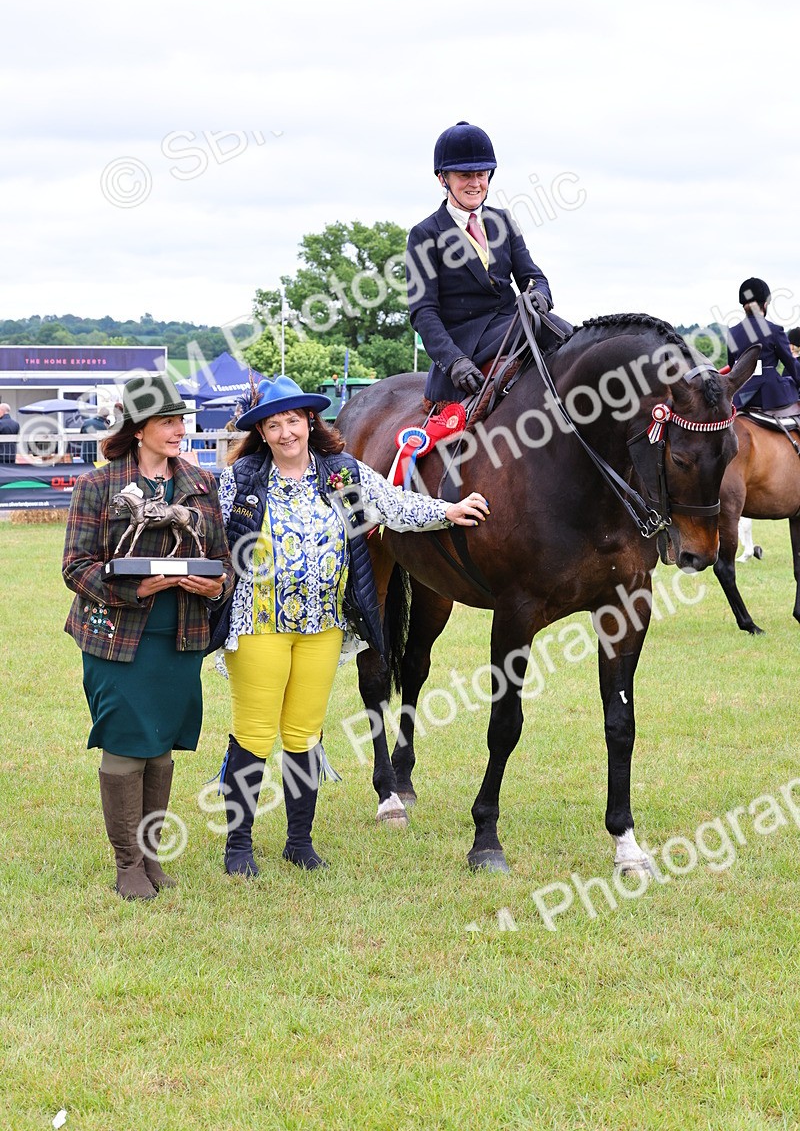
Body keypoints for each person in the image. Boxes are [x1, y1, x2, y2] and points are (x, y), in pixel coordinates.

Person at [215, 374, 490, 876]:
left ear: (309, 422)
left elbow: (394, 504)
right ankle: (239, 845)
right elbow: (208, 523)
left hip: (323, 626)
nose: (285, 433)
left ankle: (299, 842)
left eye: (292, 421)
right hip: (258, 625)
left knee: (303, 733)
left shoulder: (341, 473)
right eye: (273, 425)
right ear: (261, 432)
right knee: (254, 734)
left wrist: (448, 510)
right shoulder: (243, 478)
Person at [62, 374, 234, 901]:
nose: (179, 429)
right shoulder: (97, 485)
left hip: (179, 639)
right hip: (117, 639)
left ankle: (152, 856)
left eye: (181, 420)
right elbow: (75, 567)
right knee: (125, 747)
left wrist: (213, 582)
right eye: (167, 421)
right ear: (138, 429)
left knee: (161, 749)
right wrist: (138, 588)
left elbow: (223, 561)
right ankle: (127, 864)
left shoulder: (201, 484)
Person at [406, 120, 572, 405]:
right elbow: (424, 313)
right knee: (541, 326)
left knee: (565, 337)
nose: (475, 183)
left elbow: (534, 278)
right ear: (442, 179)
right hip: (466, 342)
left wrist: (539, 298)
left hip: (511, 327)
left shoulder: (502, 220)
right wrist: (454, 360)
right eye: (464, 175)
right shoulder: (425, 234)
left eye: (481, 174)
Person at [727, 277, 800, 411]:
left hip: (740, 398)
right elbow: (791, 364)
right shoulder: (774, 330)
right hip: (770, 396)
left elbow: (733, 367)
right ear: (765, 304)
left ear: (744, 306)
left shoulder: (732, 332)